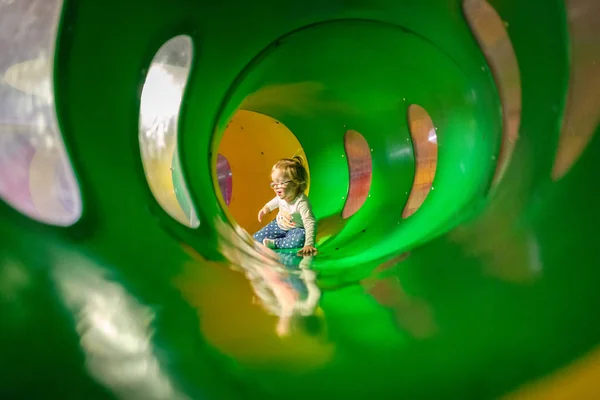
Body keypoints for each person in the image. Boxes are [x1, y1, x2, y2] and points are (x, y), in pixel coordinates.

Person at [253, 156, 318, 255]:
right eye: (274, 183)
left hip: (295, 229)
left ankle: (275, 243)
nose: (276, 187)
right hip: (278, 225)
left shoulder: (301, 202)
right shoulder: (281, 195)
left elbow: (309, 222)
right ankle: (272, 240)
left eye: (281, 183)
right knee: (255, 239)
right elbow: (275, 201)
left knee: (300, 239)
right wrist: (266, 208)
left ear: (295, 184)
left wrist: (309, 244)